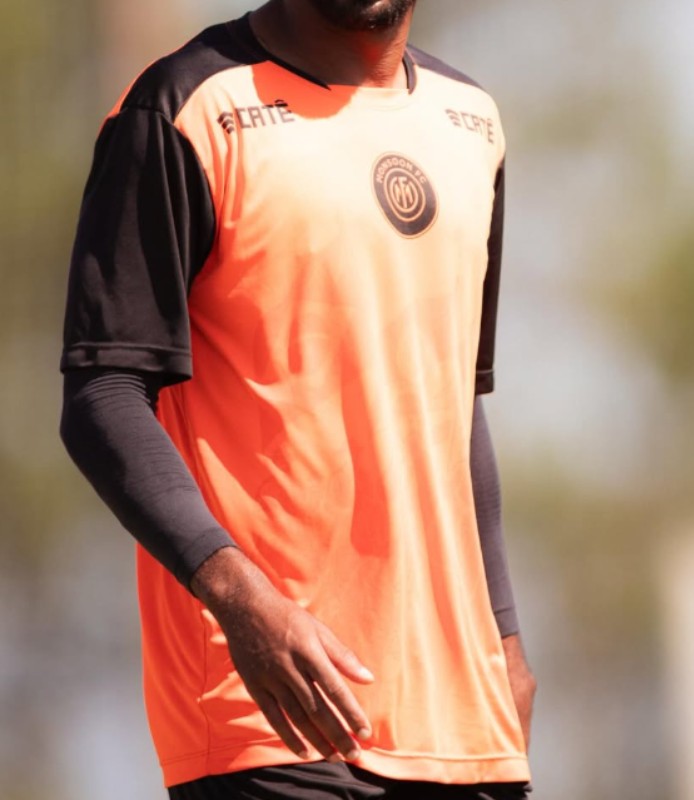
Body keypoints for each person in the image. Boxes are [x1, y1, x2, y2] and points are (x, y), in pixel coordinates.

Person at [60, 1, 536, 797]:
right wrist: (242, 601)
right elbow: (102, 393)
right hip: (270, 711)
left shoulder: (473, 122)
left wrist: (506, 639)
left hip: (461, 720)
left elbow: (453, 405)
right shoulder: (184, 107)